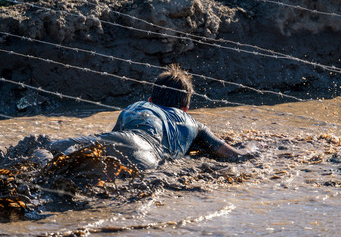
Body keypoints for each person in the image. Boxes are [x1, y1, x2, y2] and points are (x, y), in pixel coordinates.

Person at [49, 64, 253, 170]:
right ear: (186, 108)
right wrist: (253, 146)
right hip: (149, 157)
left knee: (49, 149)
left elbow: (113, 140)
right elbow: (235, 156)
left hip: (118, 141)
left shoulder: (136, 107)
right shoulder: (195, 125)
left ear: (150, 99)